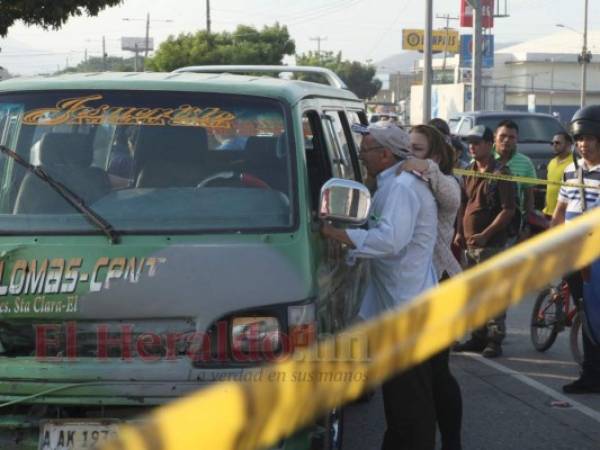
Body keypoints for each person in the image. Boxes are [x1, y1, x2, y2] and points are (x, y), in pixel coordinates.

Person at [321, 123, 438, 450]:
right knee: (405, 403)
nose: (361, 157)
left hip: (407, 309)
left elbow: (390, 240)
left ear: (385, 154)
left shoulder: (402, 187)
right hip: (399, 304)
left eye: (365, 152)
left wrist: (337, 234)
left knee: (409, 403)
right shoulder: (390, 184)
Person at [399, 124, 463, 450]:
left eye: (417, 149)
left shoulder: (445, 183)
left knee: (438, 373)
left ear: (435, 155)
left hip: (440, 282)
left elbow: (452, 196)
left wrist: (427, 167)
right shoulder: (406, 183)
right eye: (406, 147)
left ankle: (452, 442)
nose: (409, 154)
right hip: (413, 287)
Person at [453, 125, 517, 358]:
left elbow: (508, 210)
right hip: (470, 244)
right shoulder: (469, 170)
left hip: (491, 245)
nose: (472, 146)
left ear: (490, 145)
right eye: (469, 142)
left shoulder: (502, 172)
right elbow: (463, 204)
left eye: (477, 142)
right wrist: (459, 231)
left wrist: (486, 234)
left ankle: (494, 339)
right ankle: (477, 337)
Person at [551, 105, 600, 394]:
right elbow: (559, 212)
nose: (583, 144)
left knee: (596, 314)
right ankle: (591, 374)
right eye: (580, 139)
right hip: (573, 255)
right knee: (585, 314)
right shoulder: (571, 170)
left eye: (590, 138)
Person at [493, 119, 536, 240]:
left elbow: (529, 198)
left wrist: (526, 226)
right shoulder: (482, 160)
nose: (506, 140)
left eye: (511, 137)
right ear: (494, 137)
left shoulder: (525, 163)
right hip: (484, 225)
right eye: (502, 136)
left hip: (513, 227)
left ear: (517, 140)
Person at [543, 132, 574, 219]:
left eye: (557, 143)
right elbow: (549, 188)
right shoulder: (552, 162)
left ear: (568, 144)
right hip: (548, 212)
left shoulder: (574, 164)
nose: (554, 145)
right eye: (552, 143)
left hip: (564, 214)